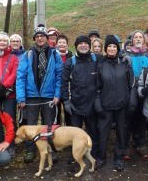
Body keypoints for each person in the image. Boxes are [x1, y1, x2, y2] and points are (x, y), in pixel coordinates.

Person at [16, 24, 63, 163]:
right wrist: (21, 97)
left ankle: (50, 149)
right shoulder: (27, 54)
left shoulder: (55, 54)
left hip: (49, 96)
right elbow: (20, 76)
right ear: (34, 39)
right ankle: (30, 150)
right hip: (31, 97)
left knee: (48, 125)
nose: (40, 38)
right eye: (38, 36)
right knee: (30, 125)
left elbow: (59, 76)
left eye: (43, 36)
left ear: (47, 38)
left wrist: (57, 95)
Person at [95, 35, 134, 171]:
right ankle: (101, 157)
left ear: (118, 48)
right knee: (102, 132)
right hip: (105, 105)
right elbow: (97, 87)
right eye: (109, 46)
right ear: (106, 49)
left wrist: (130, 102)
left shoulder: (124, 63)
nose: (112, 48)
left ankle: (119, 158)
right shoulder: (100, 64)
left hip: (122, 105)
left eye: (114, 46)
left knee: (121, 132)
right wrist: (98, 104)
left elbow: (131, 85)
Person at [61, 35, 100, 165]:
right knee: (74, 133)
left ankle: (93, 153)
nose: (83, 45)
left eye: (86, 43)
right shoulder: (70, 62)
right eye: (80, 44)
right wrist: (66, 101)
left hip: (92, 104)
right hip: (75, 105)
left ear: (89, 46)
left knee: (93, 130)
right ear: (76, 46)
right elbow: (64, 83)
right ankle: (75, 155)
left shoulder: (96, 59)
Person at [124, 30, 148, 159]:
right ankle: (126, 145)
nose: (138, 39)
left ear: (143, 40)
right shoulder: (126, 55)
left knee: (142, 117)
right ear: (132, 40)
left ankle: (140, 143)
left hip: (144, 90)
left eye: (141, 37)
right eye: (136, 37)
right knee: (129, 115)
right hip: (130, 89)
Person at [55, 34, 73, 126]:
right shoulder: (52, 56)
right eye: (60, 42)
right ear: (56, 44)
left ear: (67, 45)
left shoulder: (71, 56)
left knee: (69, 114)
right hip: (55, 89)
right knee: (56, 115)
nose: (62, 44)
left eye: (64, 42)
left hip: (68, 89)